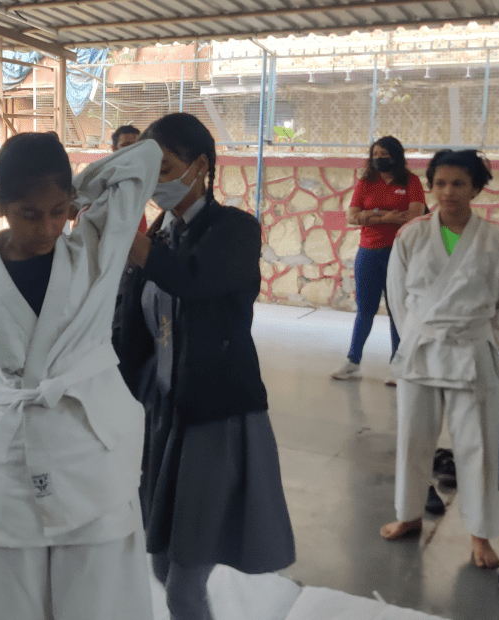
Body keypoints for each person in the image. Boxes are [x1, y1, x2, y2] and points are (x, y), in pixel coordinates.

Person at [0, 132, 160, 619]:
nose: (48, 227)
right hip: (15, 452)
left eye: (59, 211)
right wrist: (66, 195)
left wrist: (79, 188)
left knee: (97, 596)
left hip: (88, 443)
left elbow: (145, 159)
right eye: (30, 214)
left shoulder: (94, 252)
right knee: (15, 595)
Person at [115, 112, 296, 620]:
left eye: (165, 170)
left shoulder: (235, 231)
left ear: (200, 166)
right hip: (164, 418)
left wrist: (130, 241)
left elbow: (191, 280)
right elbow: (132, 328)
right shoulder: (158, 235)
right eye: (149, 174)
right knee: (160, 563)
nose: (156, 184)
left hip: (215, 421)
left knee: (182, 585)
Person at [381, 150, 499, 570]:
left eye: (458, 183)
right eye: (440, 183)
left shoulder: (497, 241)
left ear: (476, 188)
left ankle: (480, 534)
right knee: (413, 437)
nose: (448, 192)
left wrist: (484, 342)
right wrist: (416, 336)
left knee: (479, 446)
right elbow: (397, 296)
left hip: (471, 351)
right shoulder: (411, 235)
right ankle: (409, 514)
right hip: (422, 348)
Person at [332, 136, 426, 383]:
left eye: (384, 154)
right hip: (369, 252)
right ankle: (353, 362)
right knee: (365, 309)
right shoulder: (366, 183)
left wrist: (370, 215)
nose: (379, 158)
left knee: (397, 309)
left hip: (400, 253)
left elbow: (415, 215)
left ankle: (398, 365)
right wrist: (386, 216)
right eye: (375, 154)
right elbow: (352, 216)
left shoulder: (411, 182)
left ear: (396, 156)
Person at [110, 125, 148, 234]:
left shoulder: (140, 177)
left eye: (136, 146)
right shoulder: (105, 179)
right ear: (114, 149)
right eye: (125, 145)